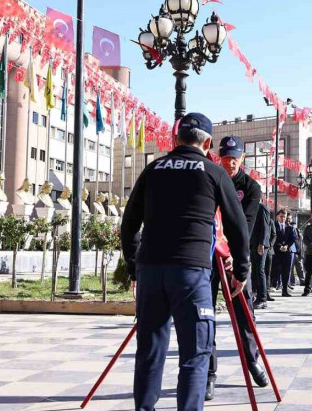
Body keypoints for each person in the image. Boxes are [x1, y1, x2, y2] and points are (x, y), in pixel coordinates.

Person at [120, 113, 250, 411]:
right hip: (190, 273)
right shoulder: (214, 172)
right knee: (195, 354)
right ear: (207, 142)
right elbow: (237, 226)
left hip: (151, 271)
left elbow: (129, 225)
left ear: (175, 140)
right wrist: (240, 270)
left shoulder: (153, 169)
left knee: (149, 351)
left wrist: (134, 268)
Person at [207, 136, 267, 400]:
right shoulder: (211, 179)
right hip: (209, 256)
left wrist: (233, 255)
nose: (229, 162)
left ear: (242, 158)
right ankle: (208, 373)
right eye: (225, 157)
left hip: (237, 257)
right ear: (218, 157)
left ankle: (252, 359)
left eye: (234, 157)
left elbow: (245, 226)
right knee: (204, 315)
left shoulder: (251, 187)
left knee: (244, 314)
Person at [251, 203, 272, 309]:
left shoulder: (261, 208)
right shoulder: (251, 206)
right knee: (254, 271)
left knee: (260, 271)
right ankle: (255, 295)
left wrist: (262, 243)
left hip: (260, 245)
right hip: (253, 244)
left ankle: (262, 299)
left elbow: (265, 227)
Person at [273, 209, 298, 296]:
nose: (283, 218)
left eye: (284, 216)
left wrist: (287, 246)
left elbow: (294, 238)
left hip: (287, 252)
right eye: (281, 216)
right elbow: (272, 237)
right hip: (276, 252)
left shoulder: (290, 227)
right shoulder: (273, 226)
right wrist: (279, 246)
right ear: (277, 216)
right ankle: (273, 286)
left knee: (286, 271)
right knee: (275, 270)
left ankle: (285, 290)